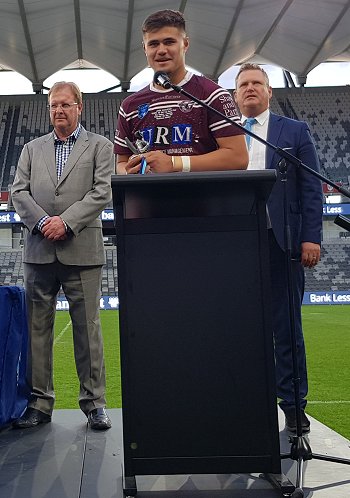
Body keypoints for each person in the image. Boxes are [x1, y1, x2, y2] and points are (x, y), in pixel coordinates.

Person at [11, 81, 114, 430]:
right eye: (54, 105)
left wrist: (66, 222)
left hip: (82, 250)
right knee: (36, 331)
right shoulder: (30, 148)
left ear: (79, 107)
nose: (58, 111)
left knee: (88, 331)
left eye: (65, 105)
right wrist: (42, 222)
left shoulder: (100, 146)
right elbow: (18, 192)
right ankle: (39, 403)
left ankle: (94, 402)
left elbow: (103, 191)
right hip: (39, 251)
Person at [234, 63, 323, 433]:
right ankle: (243, 402)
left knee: (286, 329)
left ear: (269, 91)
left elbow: (310, 188)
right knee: (238, 330)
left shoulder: (294, 130)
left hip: (282, 243)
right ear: (235, 96)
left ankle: (292, 405)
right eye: (244, 85)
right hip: (235, 247)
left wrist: (311, 237)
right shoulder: (224, 134)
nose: (250, 88)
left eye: (257, 83)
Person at [114, 9, 248, 174]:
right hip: (149, 198)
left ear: (185, 44)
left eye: (169, 42)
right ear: (144, 48)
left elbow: (239, 157)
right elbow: (121, 163)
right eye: (153, 44)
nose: (161, 50)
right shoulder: (130, 105)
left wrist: (175, 163)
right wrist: (130, 171)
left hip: (201, 198)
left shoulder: (212, 95)